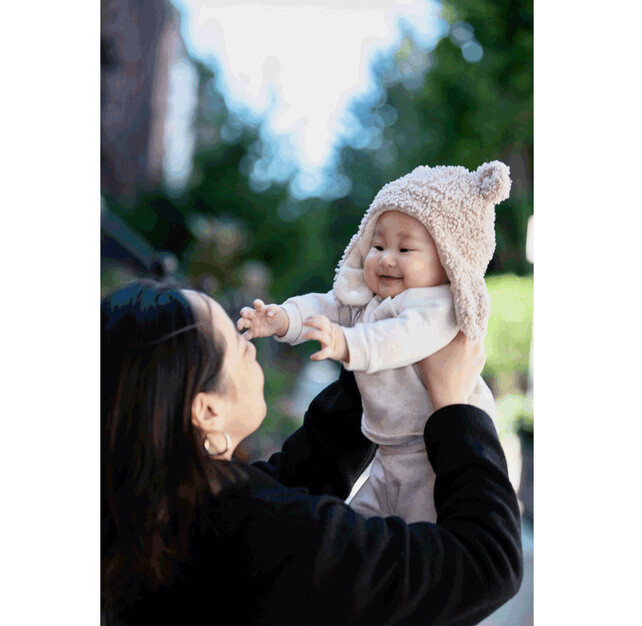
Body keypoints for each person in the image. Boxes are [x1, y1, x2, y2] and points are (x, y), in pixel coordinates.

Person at [101, 279, 522, 625]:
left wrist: (381, 353)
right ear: (207, 410)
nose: (246, 345)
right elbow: (485, 563)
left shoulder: (154, 518)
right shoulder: (260, 533)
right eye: (230, 339)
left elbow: (301, 473)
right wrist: (454, 406)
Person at [238, 161, 510, 523]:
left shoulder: (438, 305)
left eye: (405, 250)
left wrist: (348, 344)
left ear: (448, 260)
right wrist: (285, 318)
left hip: (434, 457)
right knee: (359, 522)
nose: (386, 258)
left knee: (421, 539)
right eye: (378, 245)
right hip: (389, 453)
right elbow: (329, 306)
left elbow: (401, 338)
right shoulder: (372, 302)